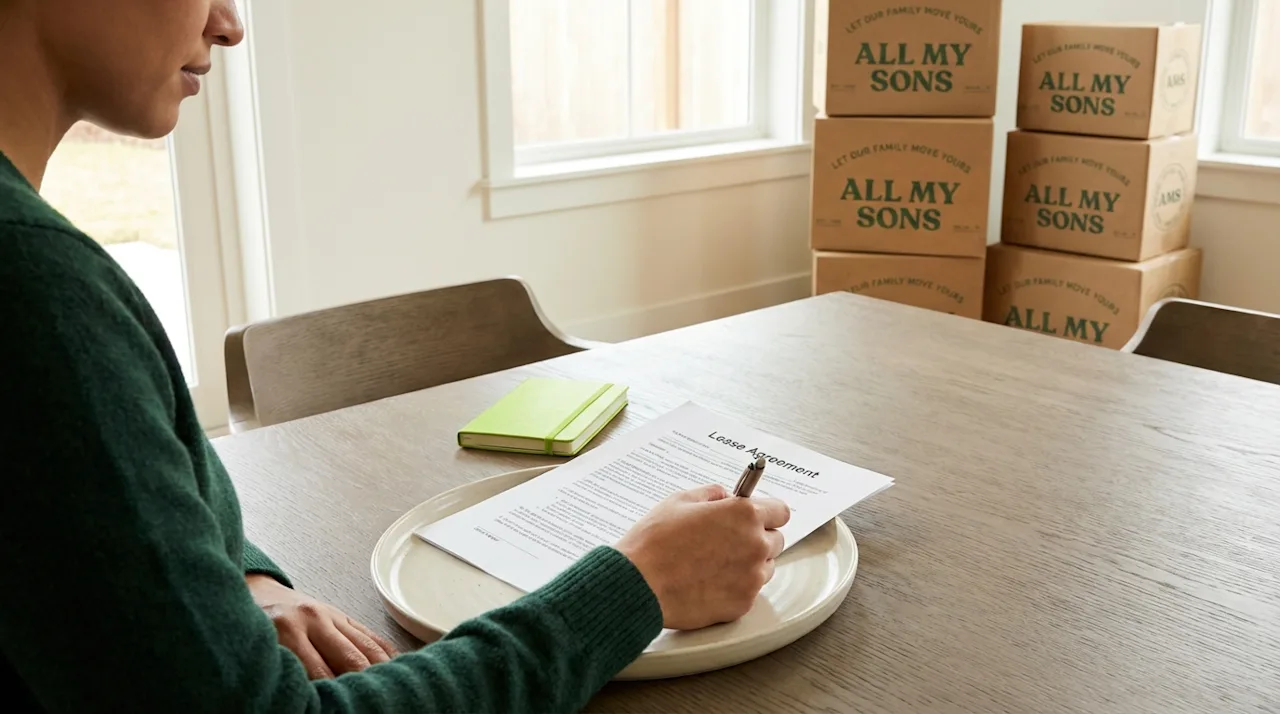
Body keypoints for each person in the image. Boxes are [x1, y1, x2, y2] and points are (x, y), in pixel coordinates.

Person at [0, 1, 791, 712]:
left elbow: (100, 503)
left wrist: (238, 583)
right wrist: (638, 585)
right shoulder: (35, 288)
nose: (229, 23)